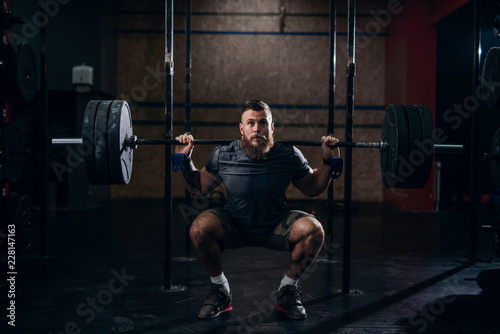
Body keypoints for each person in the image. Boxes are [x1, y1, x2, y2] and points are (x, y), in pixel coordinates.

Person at [174, 100, 341, 320]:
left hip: (276, 226)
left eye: (262, 122)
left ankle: (287, 290)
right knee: (199, 228)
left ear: (271, 128)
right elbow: (198, 188)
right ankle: (220, 290)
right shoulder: (224, 154)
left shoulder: (289, 154)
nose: (257, 128)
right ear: (241, 129)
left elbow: (312, 187)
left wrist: (330, 161)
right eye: (250, 123)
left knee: (314, 230)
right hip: (235, 225)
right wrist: (184, 158)